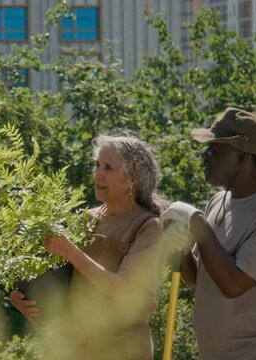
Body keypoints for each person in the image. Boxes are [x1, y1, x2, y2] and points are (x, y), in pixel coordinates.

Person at [161, 107, 256, 360]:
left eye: (215, 149)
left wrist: (196, 223)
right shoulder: (218, 201)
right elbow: (199, 280)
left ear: (242, 156)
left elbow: (233, 285)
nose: (205, 155)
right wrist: (178, 248)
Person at [11, 134, 167, 359]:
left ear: (132, 179)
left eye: (108, 167)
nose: (98, 174)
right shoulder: (88, 219)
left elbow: (131, 296)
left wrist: (70, 251)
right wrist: (23, 297)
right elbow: (62, 282)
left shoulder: (149, 227)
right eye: (97, 165)